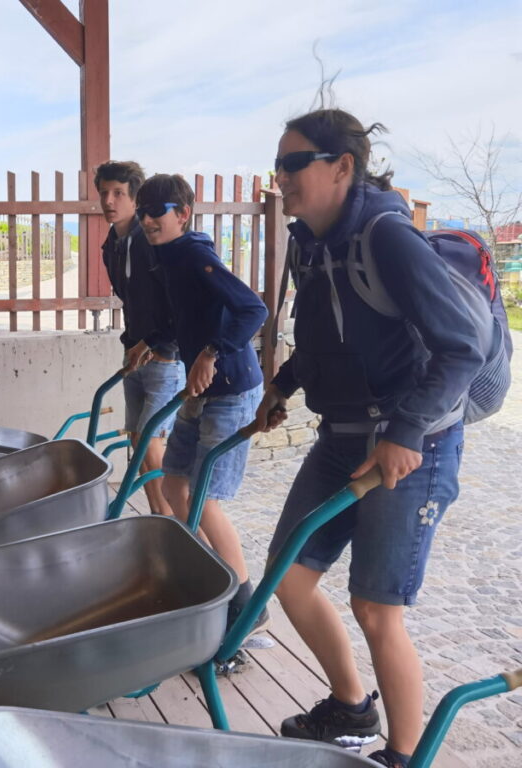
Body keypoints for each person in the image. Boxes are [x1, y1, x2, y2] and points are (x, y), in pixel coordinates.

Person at [254, 109, 483, 768]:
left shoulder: (387, 237)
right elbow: (325, 338)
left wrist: (407, 428)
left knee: (375, 608)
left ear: (341, 167)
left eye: (294, 163)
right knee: (288, 577)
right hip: (343, 435)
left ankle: (404, 755)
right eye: (279, 164)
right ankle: (350, 708)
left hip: (413, 442)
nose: (282, 177)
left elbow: (461, 348)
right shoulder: (309, 244)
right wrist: (285, 385)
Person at [135, 173, 270, 632]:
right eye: (143, 211)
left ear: (183, 214)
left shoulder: (194, 253)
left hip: (230, 389)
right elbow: (183, 319)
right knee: (174, 488)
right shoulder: (166, 256)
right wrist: (151, 343)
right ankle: (205, 580)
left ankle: (247, 608)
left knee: (203, 497)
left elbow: (254, 308)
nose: (149, 219)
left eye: (159, 211)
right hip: (201, 389)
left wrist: (212, 352)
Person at [96, 161, 184, 516]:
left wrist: (159, 345)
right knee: (138, 442)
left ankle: (174, 526)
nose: (108, 201)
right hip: (134, 355)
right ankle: (158, 520)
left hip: (163, 357)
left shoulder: (149, 242)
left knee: (151, 443)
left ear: (135, 198)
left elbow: (173, 301)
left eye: (118, 193)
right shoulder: (111, 245)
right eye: (103, 192)